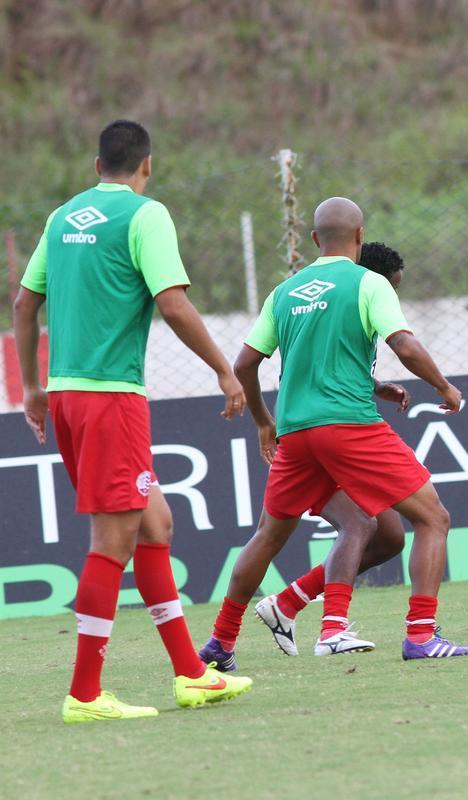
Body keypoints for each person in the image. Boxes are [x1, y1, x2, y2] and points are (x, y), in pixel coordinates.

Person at [12, 120, 253, 723]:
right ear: (148, 165)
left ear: (98, 166)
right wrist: (226, 370)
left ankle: (192, 675)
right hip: (110, 398)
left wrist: (34, 388)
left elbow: (24, 303)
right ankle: (86, 694)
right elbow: (172, 301)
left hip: (67, 396)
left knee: (156, 522)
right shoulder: (147, 216)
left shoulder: (63, 216)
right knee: (111, 541)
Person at [202, 199, 468, 663]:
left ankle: (221, 642)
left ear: (315, 240)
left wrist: (263, 422)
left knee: (270, 536)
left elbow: (244, 365)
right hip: (349, 426)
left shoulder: (285, 292)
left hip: (294, 432)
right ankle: (421, 635)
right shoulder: (368, 283)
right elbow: (405, 346)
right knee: (433, 518)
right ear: (359, 236)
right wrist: (444, 387)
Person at [246, 242, 413, 660]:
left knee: (390, 537)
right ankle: (332, 629)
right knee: (361, 525)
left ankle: (286, 604)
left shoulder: (337, 296)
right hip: (326, 429)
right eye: (392, 288)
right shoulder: (355, 293)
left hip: (320, 426)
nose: (393, 296)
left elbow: (331, 358)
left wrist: (377, 386)